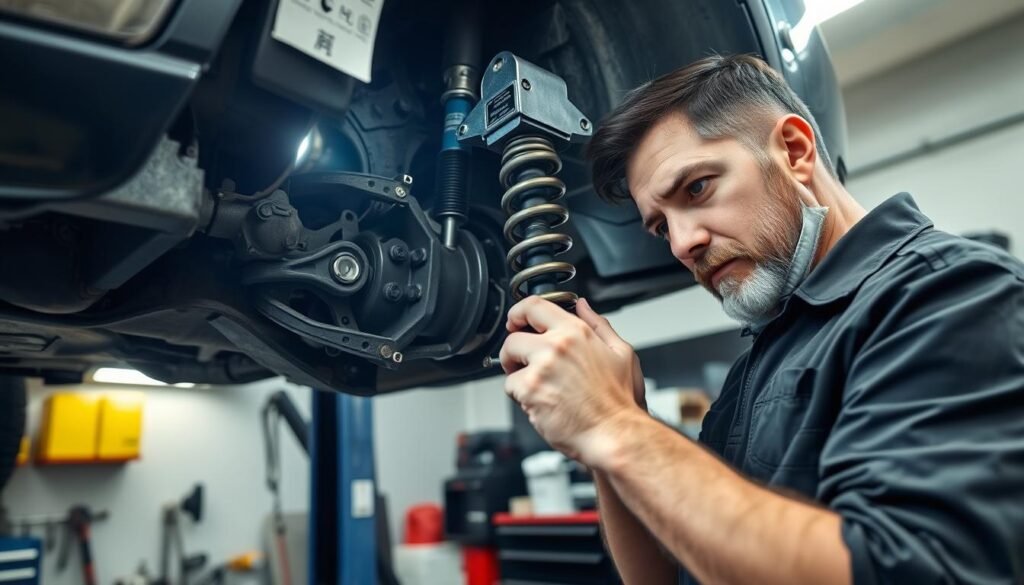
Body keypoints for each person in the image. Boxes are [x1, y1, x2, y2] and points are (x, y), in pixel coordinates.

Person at [497, 54, 1024, 585]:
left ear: (794, 151)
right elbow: (672, 574)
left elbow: (901, 571)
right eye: (661, 227)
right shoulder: (761, 358)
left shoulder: (951, 292)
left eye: (697, 188)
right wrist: (610, 431)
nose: (683, 244)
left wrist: (612, 424)